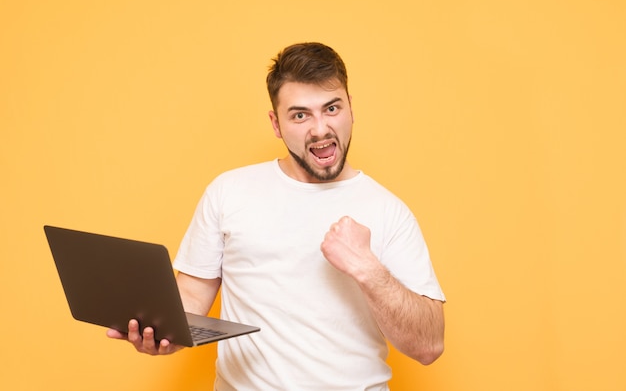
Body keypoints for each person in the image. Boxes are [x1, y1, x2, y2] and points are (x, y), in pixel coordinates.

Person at [107, 42, 446, 390]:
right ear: (276, 123)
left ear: (350, 109)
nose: (319, 129)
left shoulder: (389, 211)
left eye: (331, 108)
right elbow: (192, 299)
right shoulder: (229, 192)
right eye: (300, 115)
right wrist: (162, 333)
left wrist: (367, 268)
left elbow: (429, 345)